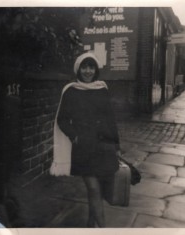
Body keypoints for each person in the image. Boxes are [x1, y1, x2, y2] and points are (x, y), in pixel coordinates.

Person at [50, 51, 122, 228]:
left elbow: (110, 118)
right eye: (84, 67)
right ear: (78, 69)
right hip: (84, 148)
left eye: (91, 67)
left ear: (95, 69)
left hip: (104, 146)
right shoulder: (70, 91)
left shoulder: (102, 88)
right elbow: (62, 119)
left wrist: (117, 144)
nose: (88, 71)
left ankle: (91, 223)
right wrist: (75, 136)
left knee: (97, 190)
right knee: (93, 188)